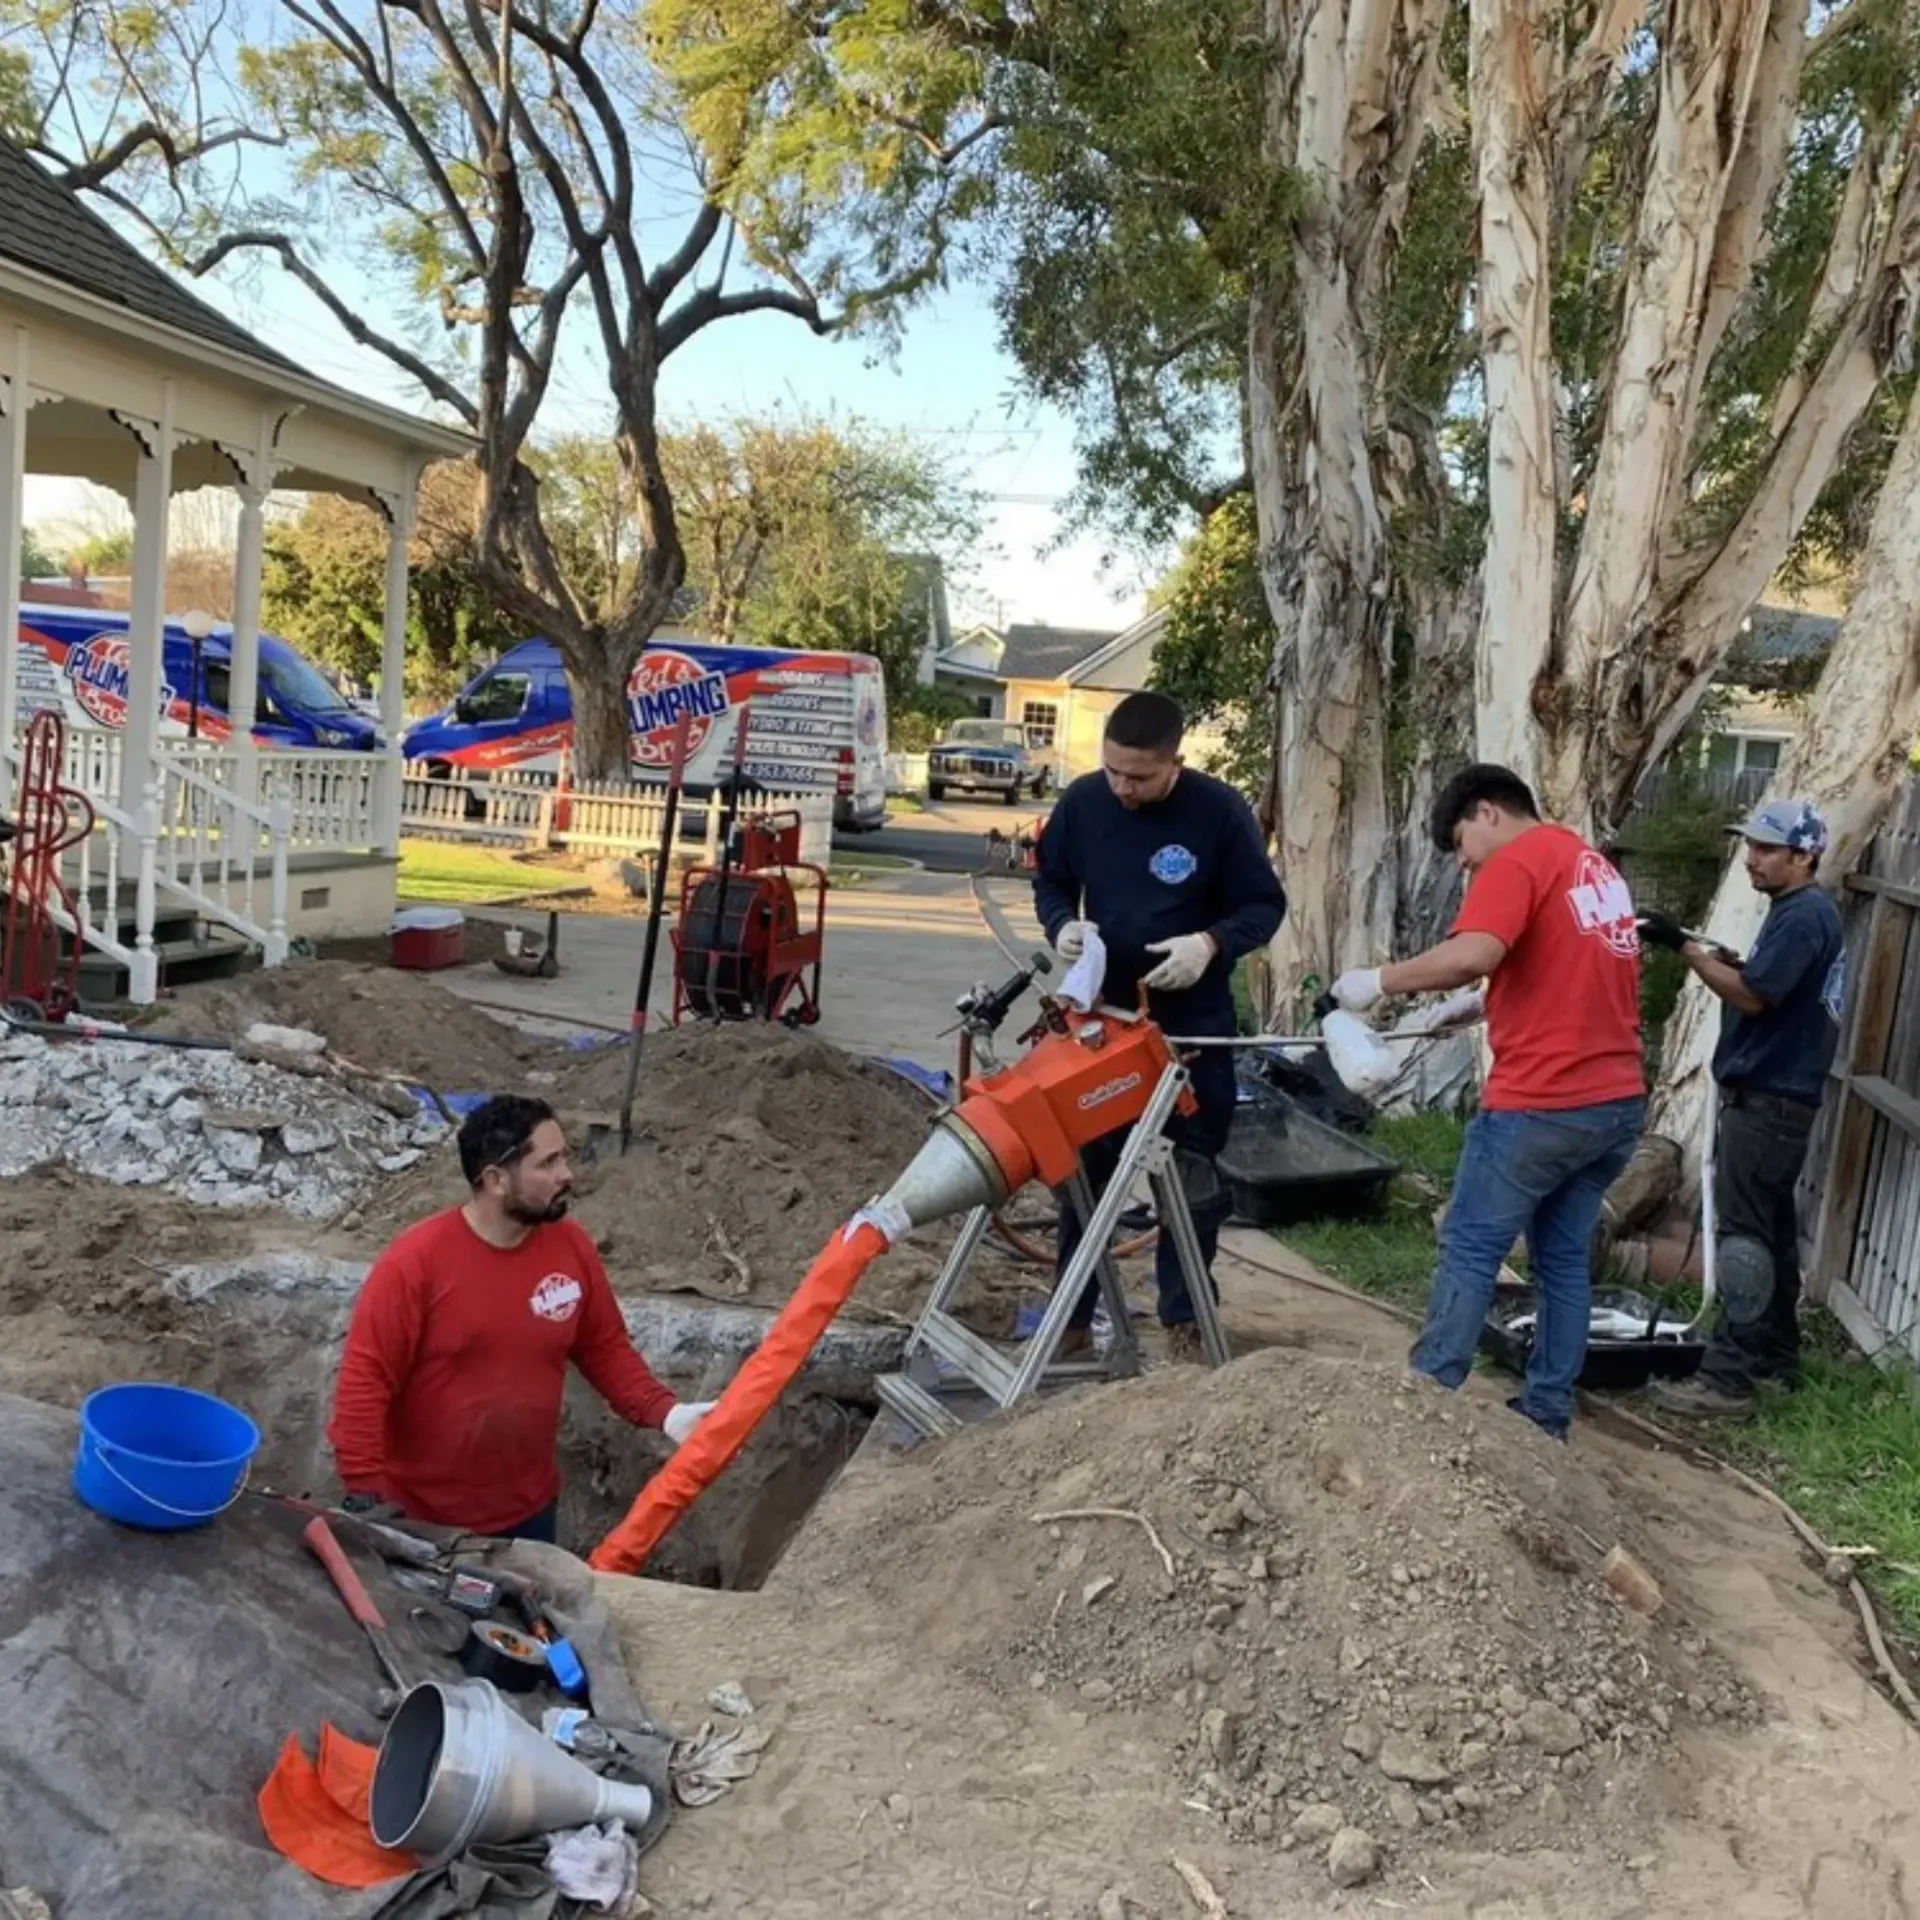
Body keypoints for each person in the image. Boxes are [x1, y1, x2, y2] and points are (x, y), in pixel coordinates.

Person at [1328, 764, 1646, 1438]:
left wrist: (1376, 982)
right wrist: (1480, 1003)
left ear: (1486, 812)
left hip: (1542, 1102)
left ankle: (1426, 1400)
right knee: (1560, 1259)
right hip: (1613, 1103)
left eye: (1459, 842)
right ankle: (1546, 1412)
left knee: (1471, 1247)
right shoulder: (1590, 866)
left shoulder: (1515, 862)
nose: (1462, 861)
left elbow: (1473, 952)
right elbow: (1568, 970)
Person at [328, 1095, 713, 1542]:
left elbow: (604, 1348)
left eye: (563, 1157)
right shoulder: (415, 1264)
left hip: (528, 1517)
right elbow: (364, 1385)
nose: (566, 1175)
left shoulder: (571, 1248)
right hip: (422, 1524)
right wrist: (369, 1501)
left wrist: (668, 1414)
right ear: (495, 1180)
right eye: (548, 1163)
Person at [1033, 690, 1287, 1360]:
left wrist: (1210, 944)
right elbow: (1051, 879)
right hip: (1105, 1023)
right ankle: (1074, 1318)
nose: (1123, 788)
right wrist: (1063, 925)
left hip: (1191, 1027)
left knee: (1192, 1181)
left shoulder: (1218, 813)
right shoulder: (1084, 803)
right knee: (1085, 1175)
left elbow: (1263, 905)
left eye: (1139, 777)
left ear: (1174, 762)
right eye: (1113, 771)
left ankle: (1184, 1316)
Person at [1640, 799, 1844, 1416]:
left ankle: (1727, 1379)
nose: (1750, 859)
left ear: (1804, 856)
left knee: (1744, 1240)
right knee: (1773, 1235)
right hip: (1781, 1101)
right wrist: (1726, 958)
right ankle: (1774, 1359)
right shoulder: (1800, 912)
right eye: (1749, 846)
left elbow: (1756, 998)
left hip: (1769, 1103)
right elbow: (1771, 983)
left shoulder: (1804, 915)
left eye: (1765, 849)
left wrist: (1686, 949)